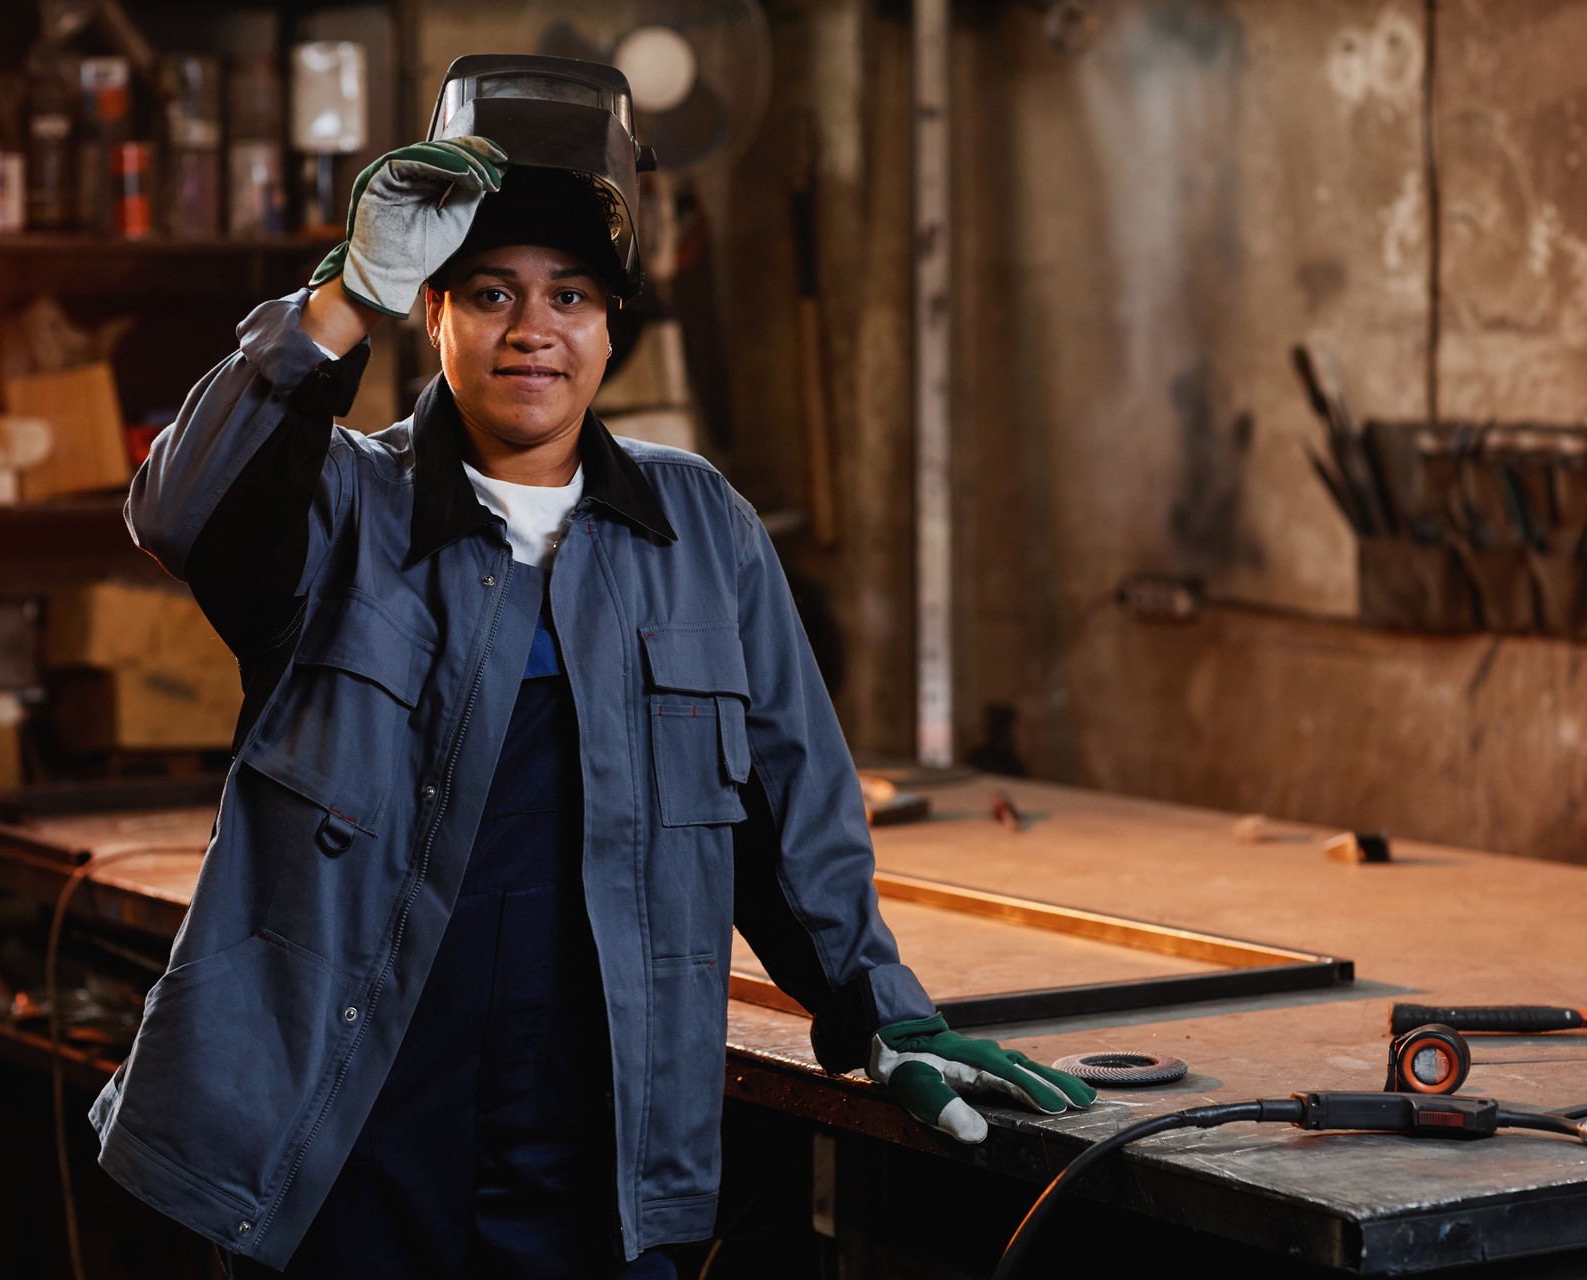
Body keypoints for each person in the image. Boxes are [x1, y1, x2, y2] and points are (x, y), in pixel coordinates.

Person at [88, 56, 1095, 1279]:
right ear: (438, 313)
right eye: (491, 292)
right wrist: (344, 293)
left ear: (613, 322)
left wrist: (883, 1010)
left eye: (571, 295)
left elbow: (790, 813)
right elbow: (180, 509)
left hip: (599, 1154)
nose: (533, 331)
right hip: (346, 1153)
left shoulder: (700, 528)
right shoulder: (339, 505)